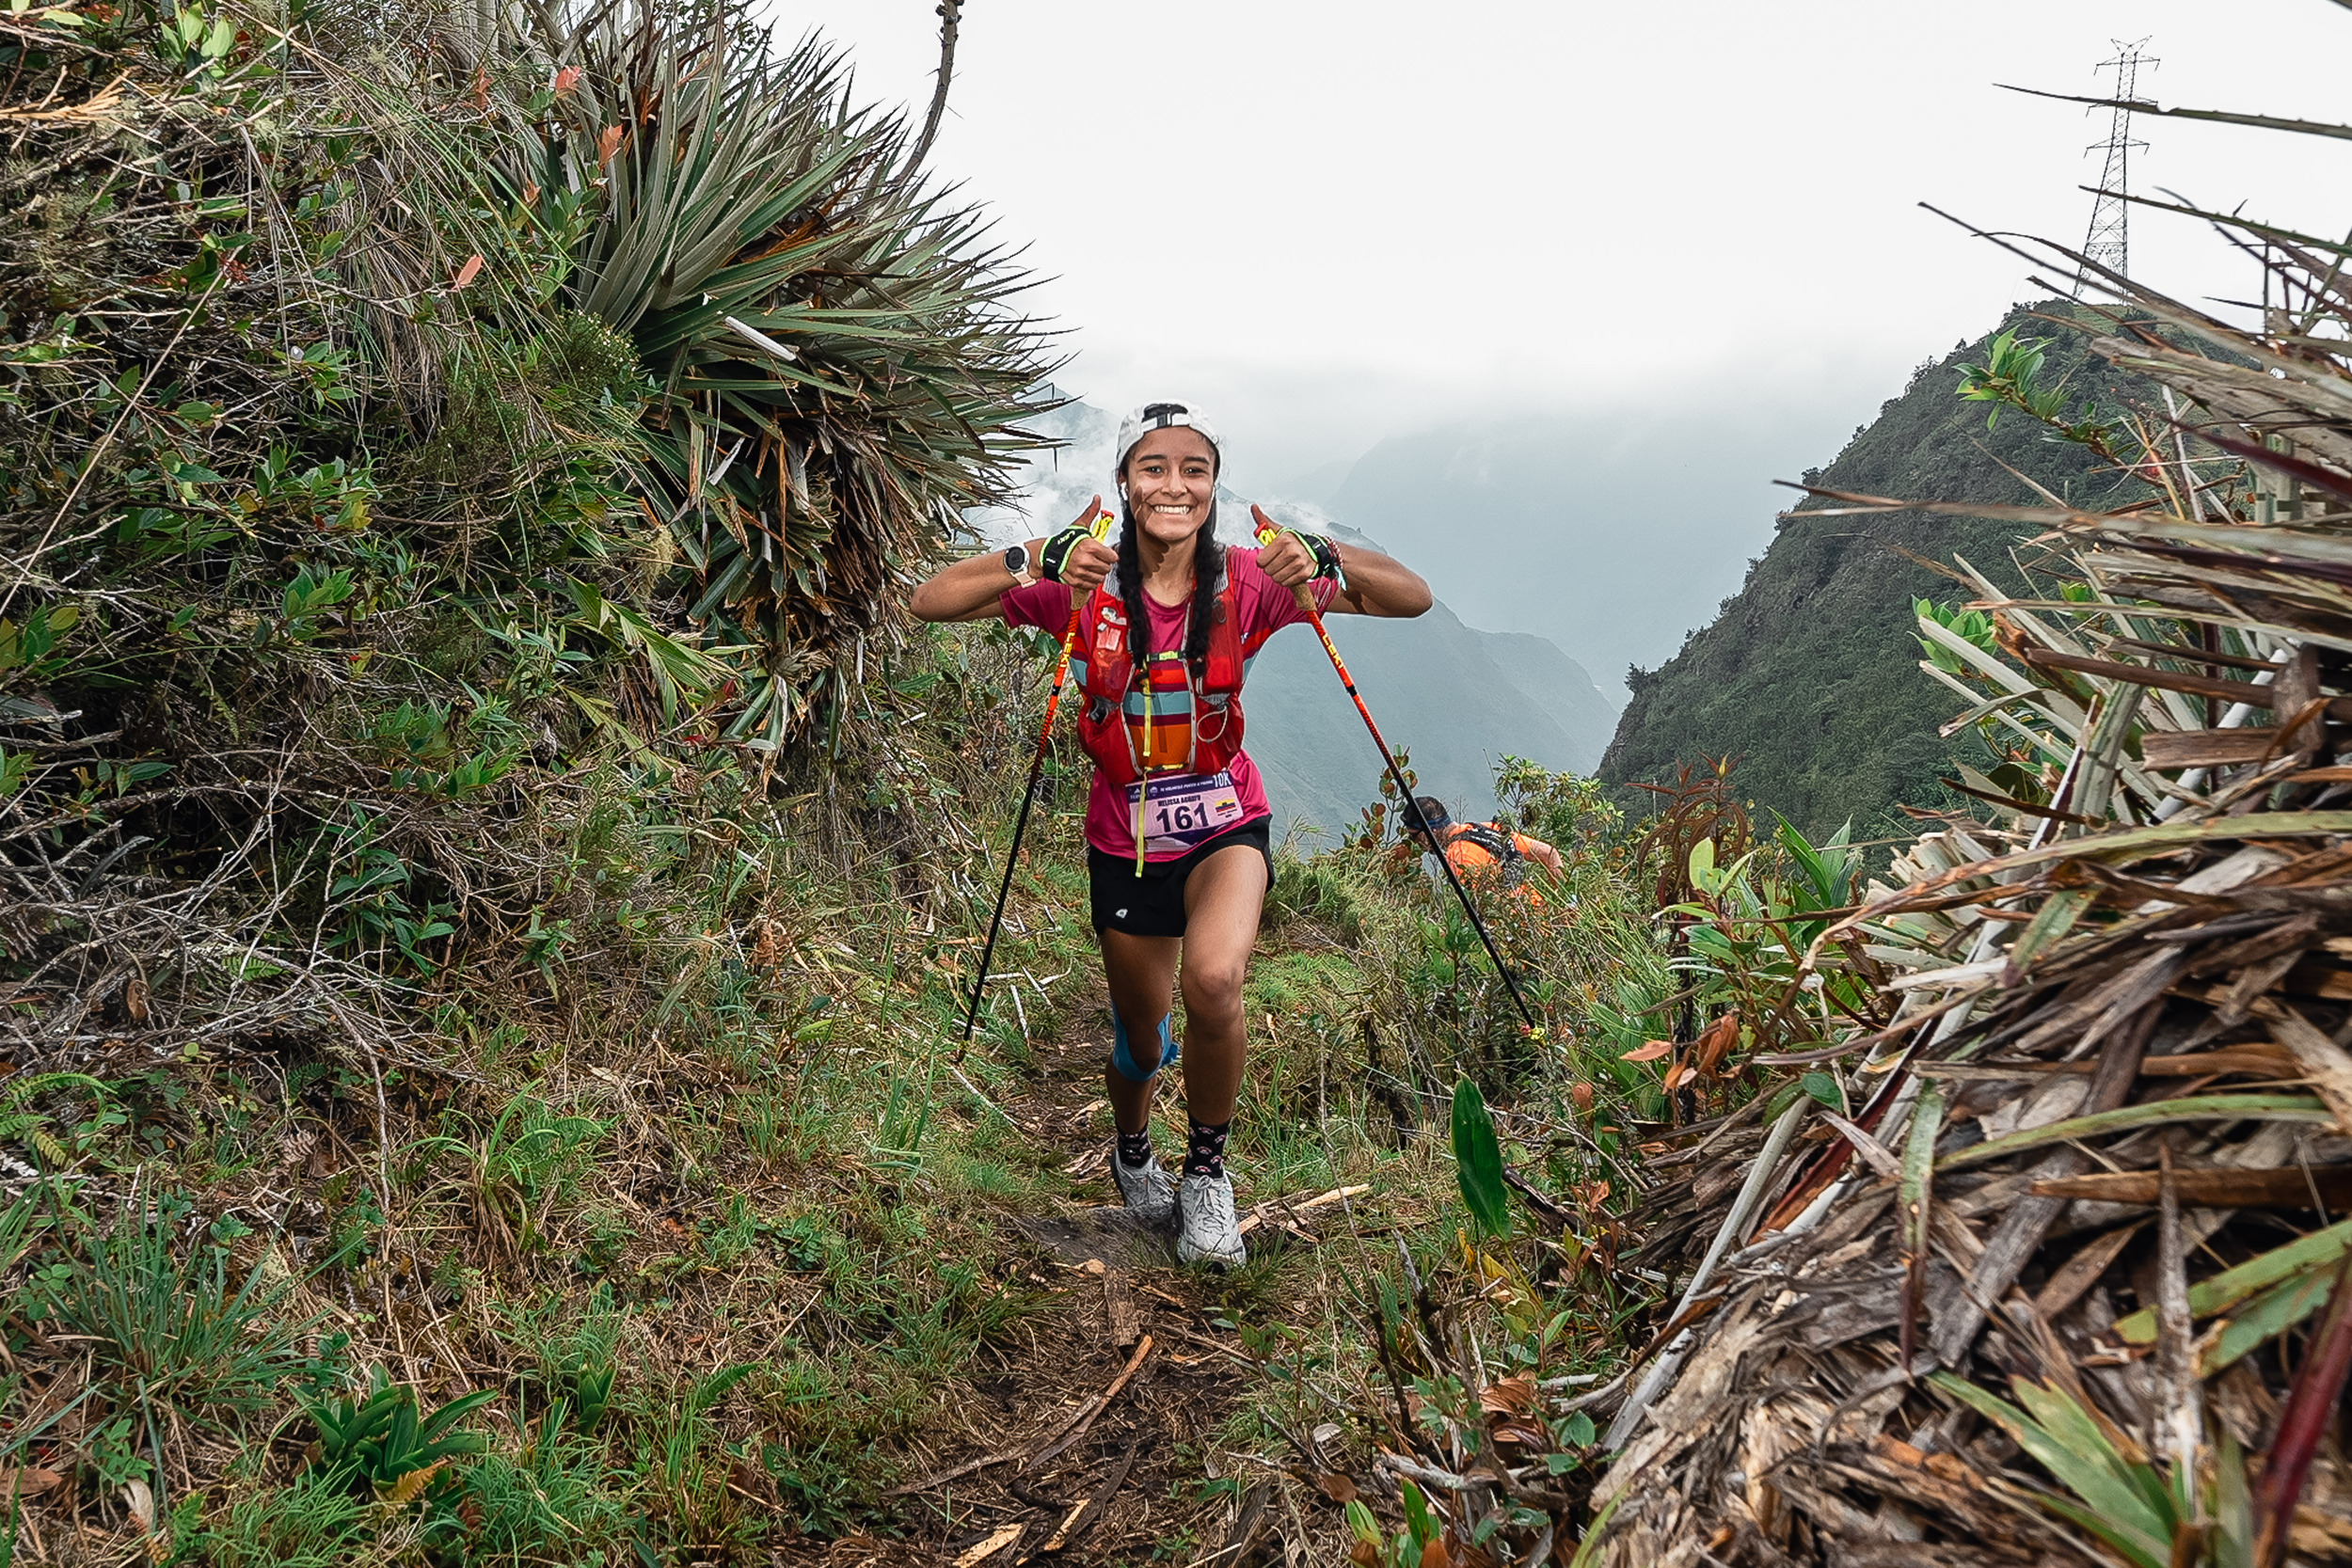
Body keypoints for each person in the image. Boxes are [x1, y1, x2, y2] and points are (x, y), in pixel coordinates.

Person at [909, 403, 1431, 1266]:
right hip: (1125, 836)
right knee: (1141, 1040)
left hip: (1227, 817)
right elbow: (929, 601)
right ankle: (1133, 1145)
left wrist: (1326, 555)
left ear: (1214, 484)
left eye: (1194, 467)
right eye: (1154, 466)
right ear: (1124, 483)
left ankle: (1208, 1177)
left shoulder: (1251, 582)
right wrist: (1031, 555)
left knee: (1217, 981)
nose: (1174, 484)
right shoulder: (1082, 584)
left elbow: (1411, 598)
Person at [1405, 796, 1562, 901]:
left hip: (1519, 937)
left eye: (1414, 836)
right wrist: (1568, 902)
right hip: (1542, 917)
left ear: (1427, 835)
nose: (1415, 842)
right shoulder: (1487, 829)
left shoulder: (1458, 857)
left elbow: (1483, 905)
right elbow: (1549, 853)